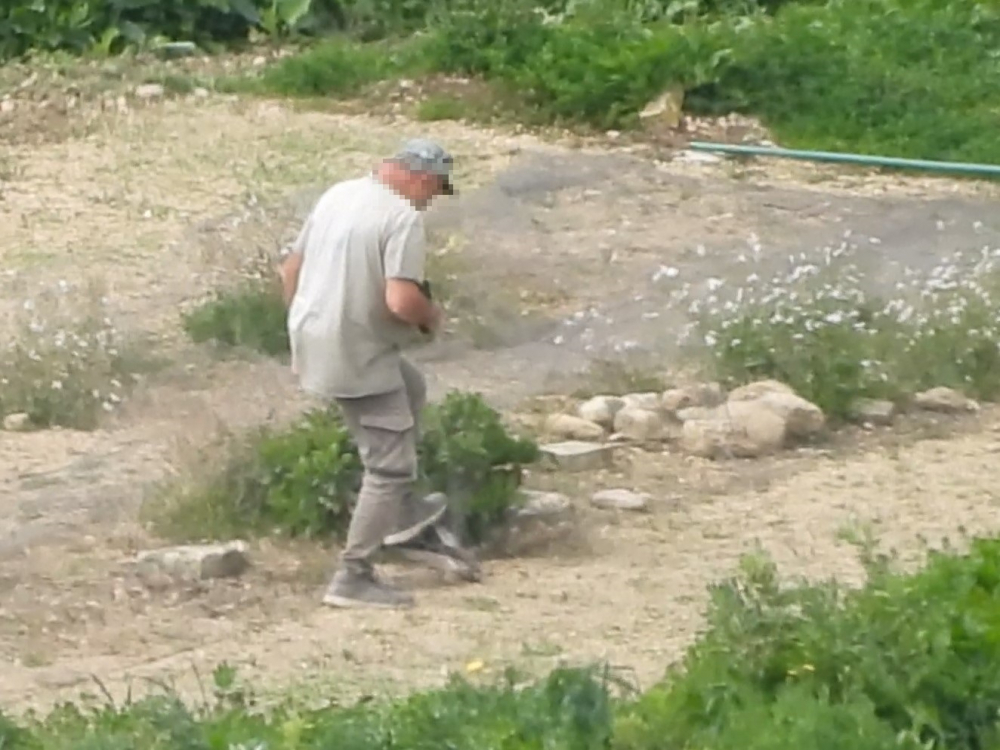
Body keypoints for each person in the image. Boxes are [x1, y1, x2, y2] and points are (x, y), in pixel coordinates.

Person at [279, 138, 457, 609]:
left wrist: (304, 327)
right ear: (419, 176)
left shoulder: (339, 194)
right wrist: (431, 317)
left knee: (411, 386)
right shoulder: (402, 217)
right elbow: (400, 299)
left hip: (314, 337)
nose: (431, 200)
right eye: (435, 189)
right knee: (390, 466)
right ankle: (353, 575)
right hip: (356, 353)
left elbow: (289, 271)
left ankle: (399, 513)